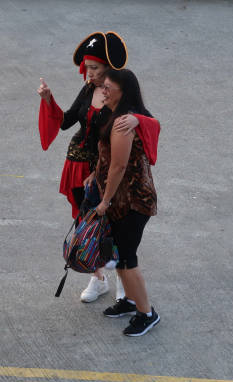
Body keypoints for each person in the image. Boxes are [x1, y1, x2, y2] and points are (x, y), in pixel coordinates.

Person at [37, 32, 138, 303]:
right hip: (78, 166)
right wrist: (48, 98)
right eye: (87, 67)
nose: (88, 73)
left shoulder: (118, 92)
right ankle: (98, 279)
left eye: (93, 68)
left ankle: (122, 282)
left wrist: (138, 121)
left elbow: (140, 115)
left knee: (113, 224)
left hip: (105, 169)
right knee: (87, 224)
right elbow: (66, 121)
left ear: (108, 68)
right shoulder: (87, 89)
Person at [94, 69, 161, 336]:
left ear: (123, 92)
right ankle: (131, 301)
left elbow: (119, 166)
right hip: (123, 200)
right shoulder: (118, 116)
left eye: (109, 87)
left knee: (127, 258)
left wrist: (105, 201)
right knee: (121, 255)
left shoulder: (123, 123)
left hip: (131, 201)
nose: (103, 90)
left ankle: (147, 313)